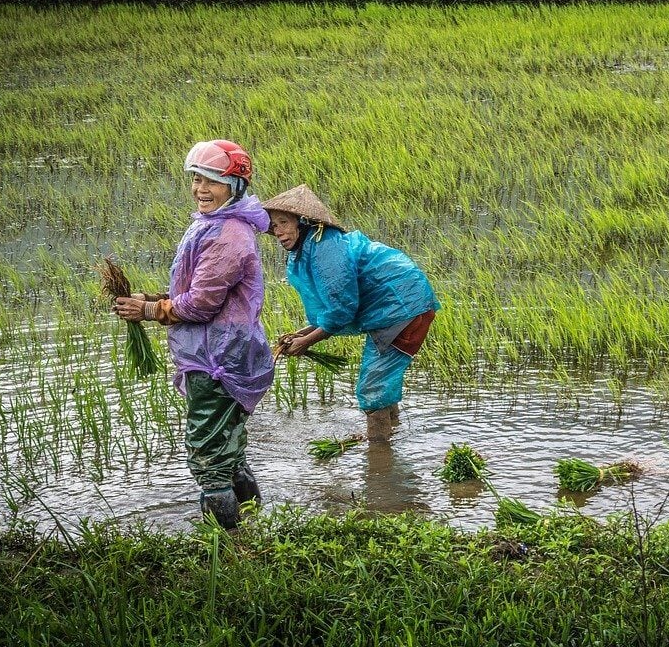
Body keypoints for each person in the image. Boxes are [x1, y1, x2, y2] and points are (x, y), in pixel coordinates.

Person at [112, 140, 274, 529]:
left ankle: (226, 546)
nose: (201, 188)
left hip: (218, 359)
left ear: (234, 186)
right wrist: (149, 298)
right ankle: (254, 529)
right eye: (197, 179)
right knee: (229, 451)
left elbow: (201, 304)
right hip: (225, 353)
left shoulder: (228, 235)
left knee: (208, 457)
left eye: (212, 181)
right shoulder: (216, 224)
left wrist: (150, 310)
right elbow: (196, 292)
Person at [262, 184, 438, 442]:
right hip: (394, 307)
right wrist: (301, 334)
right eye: (273, 225)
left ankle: (378, 459)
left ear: (303, 222)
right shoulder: (308, 248)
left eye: (284, 222)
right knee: (382, 379)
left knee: (373, 386)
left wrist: (306, 342)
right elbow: (333, 308)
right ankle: (392, 434)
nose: (278, 231)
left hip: (401, 307)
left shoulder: (325, 247)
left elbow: (342, 308)